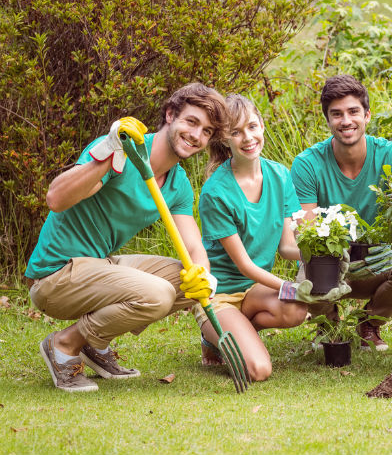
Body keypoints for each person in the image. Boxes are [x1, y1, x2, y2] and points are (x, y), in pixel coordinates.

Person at [25, 83, 228, 392]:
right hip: (56, 275)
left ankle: (95, 342)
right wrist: (108, 154)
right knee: (157, 293)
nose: (197, 135)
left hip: (98, 265)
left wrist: (204, 275)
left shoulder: (177, 183)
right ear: (170, 115)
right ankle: (64, 344)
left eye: (207, 131)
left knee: (186, 281)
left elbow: (192, 246)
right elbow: (56, 199)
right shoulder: (122, 150)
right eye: (192, 121)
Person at [197, 94, 342, 381]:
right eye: (235, 132)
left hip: (253, 290)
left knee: (296, 312)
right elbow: (245, 267)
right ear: (225, 139)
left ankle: (236, 333)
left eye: (252, 126)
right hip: (221, 296)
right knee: (259, 370)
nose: (247, 138)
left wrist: (327, 256)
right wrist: (293, 286)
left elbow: (288, 246)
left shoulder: (279, 175)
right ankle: (213, 334)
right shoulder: (216, 192)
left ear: (262, 126)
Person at [291, 74, 392, 351]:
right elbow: (308, 231)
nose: (346, 121)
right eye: (336, 114)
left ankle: (368, 323)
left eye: (353, 112)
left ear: (367, 115)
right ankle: (330, 325)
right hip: (330, 260)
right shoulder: (307, 164)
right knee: (309, 273)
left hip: (376, 258)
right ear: (327, 120)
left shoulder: (391, 156)